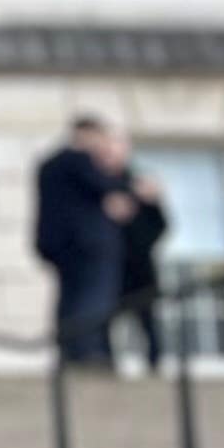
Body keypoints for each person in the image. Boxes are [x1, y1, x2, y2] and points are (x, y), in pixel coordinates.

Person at [34, 114, 132, 366]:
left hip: (59, 245)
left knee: (70, 298)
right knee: (94, 296)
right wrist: (124, 180)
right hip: (89, 243)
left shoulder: (49, 164)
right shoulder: (80, 161)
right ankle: (87, 350)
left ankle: (70, 349)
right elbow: (108, 187)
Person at [119, 170, 172, 374]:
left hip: (142, 277)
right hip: (116, 275)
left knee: (148, 322)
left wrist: (152, 201)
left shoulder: (148, 211)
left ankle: (154, 363)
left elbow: (159, 230)